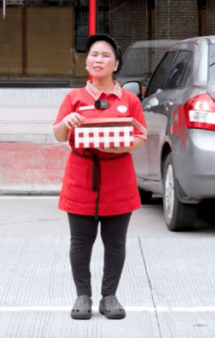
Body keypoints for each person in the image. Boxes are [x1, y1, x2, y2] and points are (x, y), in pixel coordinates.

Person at [53, 34, 148, 321]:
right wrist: (65, 124)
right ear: (86, 62)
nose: (99, 60)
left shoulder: (129, 100)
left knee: (115, 243)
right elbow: (58, 135)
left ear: (116, 64)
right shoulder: (74, 98)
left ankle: (109, 296)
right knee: (80, 242)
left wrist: (120, 145)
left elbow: (140, 136)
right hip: (81, 176)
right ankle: (83, 295)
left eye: (106, 55)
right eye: (94, 55)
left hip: (118, 176)